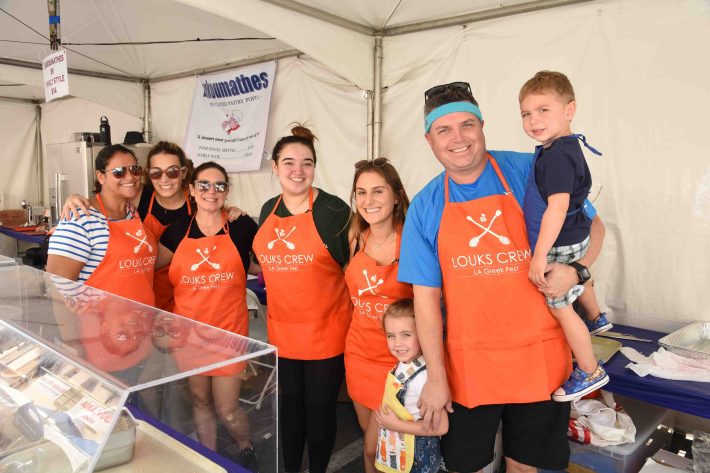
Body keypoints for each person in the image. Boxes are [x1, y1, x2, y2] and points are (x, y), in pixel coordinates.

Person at [398, 81, 606, 473]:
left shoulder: (530, 168)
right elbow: (425, 303)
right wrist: (437, 378)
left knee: (526, 467)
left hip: (541, 361)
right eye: (444, 129)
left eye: (467, 125)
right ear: (429, 139)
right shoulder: (425, 206)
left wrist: (577, 270)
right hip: (469, 370)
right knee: (467, 466)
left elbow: (595, 228)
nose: (458, 139)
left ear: (482, 126)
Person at [252, 125, 352, 473]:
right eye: (289, 162)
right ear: (275, 168)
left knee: (320, 409)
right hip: (283, 332)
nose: (298, 171)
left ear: (314, 168)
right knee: (289, 409)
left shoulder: (333, 211)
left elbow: (351, 267)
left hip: (326, 331)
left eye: (307, 163)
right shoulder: (267, 209)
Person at [155, 161, 259, 469]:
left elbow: (265, 264)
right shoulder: (175, 232)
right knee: (200, 401)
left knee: (227, 408)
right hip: (188, 335)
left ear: (227, 191)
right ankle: (209, 458)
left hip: (229, 335)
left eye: (219, 186)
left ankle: (246, 445)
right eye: (204, 185)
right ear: (191, 189)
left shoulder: (242, 227)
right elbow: (146, 265)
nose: (211, 192)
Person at [61, 141, 243, 311]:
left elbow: (216, 207)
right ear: (148, 174)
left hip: (189, 293)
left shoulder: (197, 198)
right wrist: (75, 199)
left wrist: (232, 211)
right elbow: (107, 196)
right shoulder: (138, 195)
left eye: (172, 172)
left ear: (184, 172)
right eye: (156, 173)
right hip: (142, 291)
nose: (164, 180)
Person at [519, 70, 611, 402]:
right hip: (578, 235)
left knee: (559, 307)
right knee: (579, 276)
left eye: (544, 110)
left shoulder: (557, 155)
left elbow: (556, 209)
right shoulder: (563, 147)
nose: (533, 120)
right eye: (527, 113)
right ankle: (597, 316)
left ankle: (589, 369)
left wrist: (540, 255)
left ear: (569, 110)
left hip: (562, 241)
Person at [344, 157, 413, 473]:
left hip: (397, 361)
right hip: (358, 354)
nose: (368, 201)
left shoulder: (413, 242)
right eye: (361, 193)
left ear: (396, 195)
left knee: (379, 451)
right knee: (371, 445)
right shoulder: (356, 236)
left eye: (377, 192)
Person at [47, 144, 156, 307]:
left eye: (134, 169)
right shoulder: (80, 219)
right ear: (101, 177)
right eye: (119, 172)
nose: (130, 177)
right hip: (99, 326)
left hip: (141, 324)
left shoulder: (132, 212)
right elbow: (57, 289)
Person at [374, 298, 447, 473]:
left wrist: (395, 425)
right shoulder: (403, 364)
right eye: (391, 335)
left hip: (417, 456)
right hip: (399, 449)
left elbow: (442, 426)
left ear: (423, 335)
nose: (397, 343)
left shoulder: (423, 377)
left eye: (406, 334)